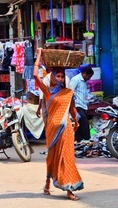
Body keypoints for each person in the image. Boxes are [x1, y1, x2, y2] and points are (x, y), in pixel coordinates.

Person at [33, 48, 84, 201]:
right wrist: (39, 55)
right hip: (52, 128)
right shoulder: (47, 91)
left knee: (67, 158)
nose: (61, 79)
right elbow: (35, 74)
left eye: (63, 76)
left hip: (66, 128)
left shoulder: (68, 92)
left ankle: (69, 189)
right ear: (53, 76)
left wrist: (76, 120)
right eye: (58, 76)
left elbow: (72, 108)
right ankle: (47, 183)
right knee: (52, 157)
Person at [70, 67, 94, 142]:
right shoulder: (76, 79)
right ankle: (87, 139)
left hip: (82, 105)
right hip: (77, 106)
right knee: (84, 123)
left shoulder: (84, 81)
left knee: (79, 124)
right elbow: (70, 92)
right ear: (84, 73)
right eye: (88, 76)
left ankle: (79, 141)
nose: (89, 78)